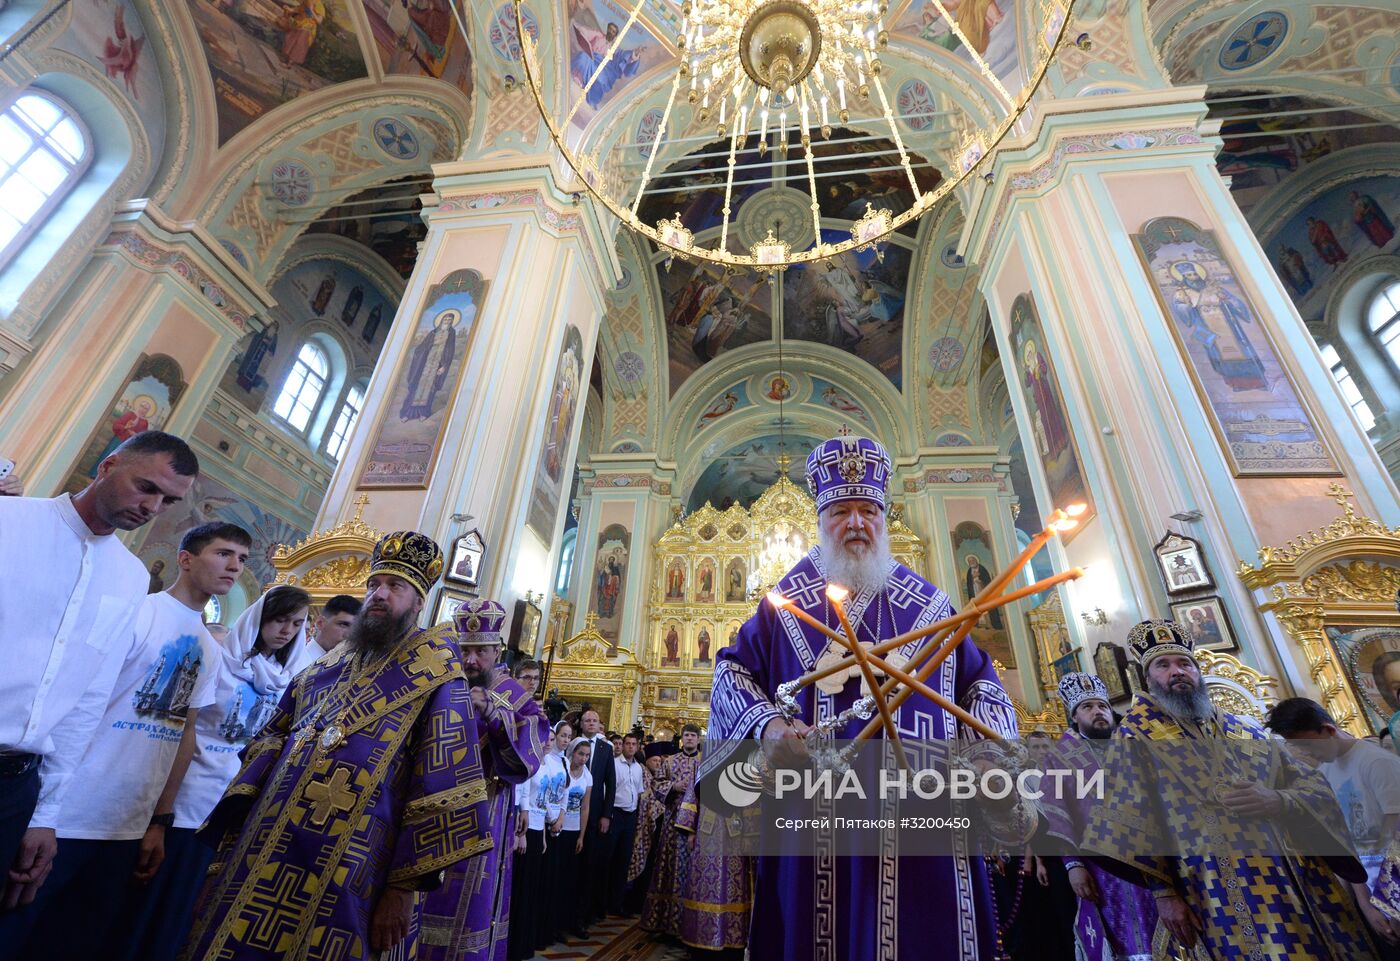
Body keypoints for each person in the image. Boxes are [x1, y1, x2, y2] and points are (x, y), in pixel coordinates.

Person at [700, 432, 1025, 960]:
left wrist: (991, 755)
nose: (856, 522)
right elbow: (732, 672)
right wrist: (769, 727)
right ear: (821, 520)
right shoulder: (784, 604)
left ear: (884, 515)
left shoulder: (932, 605)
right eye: (842, 510)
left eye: (869, 509)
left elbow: (982, 683)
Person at [182, 531, 495, 961]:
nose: (379, 595)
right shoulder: (329, 664)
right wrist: (231, 842)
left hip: (358, 864)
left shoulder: (439, 671)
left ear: (419, 601)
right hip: (269, 844)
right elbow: (271, 739)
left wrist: (403, 889)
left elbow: (442, 785)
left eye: (395, 587)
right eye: (374, 584)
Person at [0, 520, 235, 960]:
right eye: (223, 553)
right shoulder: (138, 612)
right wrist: (44, 812)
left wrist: (158, 821)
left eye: (241, 558)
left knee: (77, 943)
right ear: (185, 559)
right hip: (69, 814)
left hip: (127, 824)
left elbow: (184, 735)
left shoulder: (210, 647)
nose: (235, 566)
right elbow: (81, 703)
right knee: (15, 932)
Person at [1086, 620, 1381, 960]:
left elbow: (1313, 785)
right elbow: (1126, 819)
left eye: (1185, 664)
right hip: (1214, 889)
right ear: (1148, 679)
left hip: (1295, 880)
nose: (1177, 672)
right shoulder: (1135, 737)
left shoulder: (1246, 731)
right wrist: (1164, 894)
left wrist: (1280, 800)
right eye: (1163, 665)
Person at [0, 431, 197, 914]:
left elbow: (87, 696)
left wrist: (46, 814)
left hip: (14, 787)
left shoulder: (129, 576)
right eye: (146, 487)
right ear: (107, 467)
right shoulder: (9, 522)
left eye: (168, 500)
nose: (153, 507)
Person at [119, 583, 313, 961]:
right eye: (278, 620)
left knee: (191, 911)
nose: (286, 630)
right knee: (153, 904)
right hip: (188, 797)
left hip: (232, 806)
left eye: (296, 623)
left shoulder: (288, 678)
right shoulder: (218, 660)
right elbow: (185, 727)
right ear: (259, 618)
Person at [420, 600, 551, 961]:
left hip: (485, 808)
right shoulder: (441, 682)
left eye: (481, 651)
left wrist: (494, 716)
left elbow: (528, 759)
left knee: (469, 900)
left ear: (497, 651)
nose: (471, 659)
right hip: (431, 806)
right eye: (465, 650)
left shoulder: (516, 696)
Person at [1040, 672, 1160, 960]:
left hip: (1153, 860)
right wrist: (1073, 866)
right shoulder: (1059, 757)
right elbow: (1057, 815)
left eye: (1102, 706)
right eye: (1088, 707)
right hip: (1100, 866)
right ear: (1074, 717)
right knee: (1121, 937)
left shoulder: (1133, 746)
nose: (1098, 712)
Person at [1267, 697, 1400, 954]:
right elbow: (1348, 845)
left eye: (1307, 744)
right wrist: (1365, 904)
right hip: (1376, 899)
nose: (1306, 753)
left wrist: (1391, 905)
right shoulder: (1326, 773)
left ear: (1328, 730)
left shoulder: (1377, 763)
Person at [507, 709, 566, 961]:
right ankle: (513, 944)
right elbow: (523, 800)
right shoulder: (528, 763)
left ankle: (526, 942)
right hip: (524, 831)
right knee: (521, 889)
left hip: (537, 831)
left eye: (550, 740)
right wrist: (521, 834)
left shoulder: (549, 765)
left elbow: (544, 803)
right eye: (545, 738)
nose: (547, 743)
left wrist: (544, 832)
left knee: (531, 889)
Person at [642, 724, 705, 937]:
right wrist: (674, 787)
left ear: (698, 739)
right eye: (686, 735)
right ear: (682, 739)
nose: (689, 739)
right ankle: (664, 922)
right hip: (672, 823)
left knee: (691, 871)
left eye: (693, 736)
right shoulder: (670, 761)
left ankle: (687, 927)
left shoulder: (705, 761)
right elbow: (656, 784)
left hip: (696, 824)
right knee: (667, 867)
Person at [548, 737, 593, 940]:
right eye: (580, 754)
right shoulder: (563, 769)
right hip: (558, 828)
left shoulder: (588, 776)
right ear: (572, 753)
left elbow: (585, 807)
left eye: (586, 755)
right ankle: (552, 925)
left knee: (570, 879)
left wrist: (582, 836)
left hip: (575, 831)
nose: (583, 759)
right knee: (554, 878)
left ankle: (568, 922)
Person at [535, 721, 574, 950]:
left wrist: (561, 817)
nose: (565, 740)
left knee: (553, 881)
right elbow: (546, 791)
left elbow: (564, 794)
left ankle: (549, 930)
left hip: (558, 824)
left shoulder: (565, 761)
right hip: (544, 824)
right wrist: (552, 818)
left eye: (569, 736)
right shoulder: (546, 759)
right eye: (562, 736)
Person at [577, 708, 615, 932]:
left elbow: (611, 784)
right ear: (581, 724)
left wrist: (606, 815)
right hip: (572, 811)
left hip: (595, 813)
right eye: (587, 720)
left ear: (599, 724)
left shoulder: (605, 749)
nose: (591, 723)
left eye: (595, 721)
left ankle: (585, 914)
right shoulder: (573, 745)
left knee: (590, 866)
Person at [625, 742, 670, 916]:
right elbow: (645, 800)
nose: (658, 764)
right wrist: (661, 808)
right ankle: (629, 904)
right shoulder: (642, 772)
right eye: (655, 760)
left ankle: (639, 903)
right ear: (648, 760)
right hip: (640, 826)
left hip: (650, 827)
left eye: (660, 761)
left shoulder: (653, 776)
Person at [608, 733, 646, 917]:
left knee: (623, 861)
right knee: (609, 858)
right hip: (615, 814)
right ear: (622, 746)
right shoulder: (614, 765)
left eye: (633, 744)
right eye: (627, 744)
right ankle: (603, 902)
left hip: (630, 816)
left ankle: (617, 903)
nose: (630, 747)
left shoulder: (639, 768)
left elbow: (639, 793)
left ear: (637, 747)